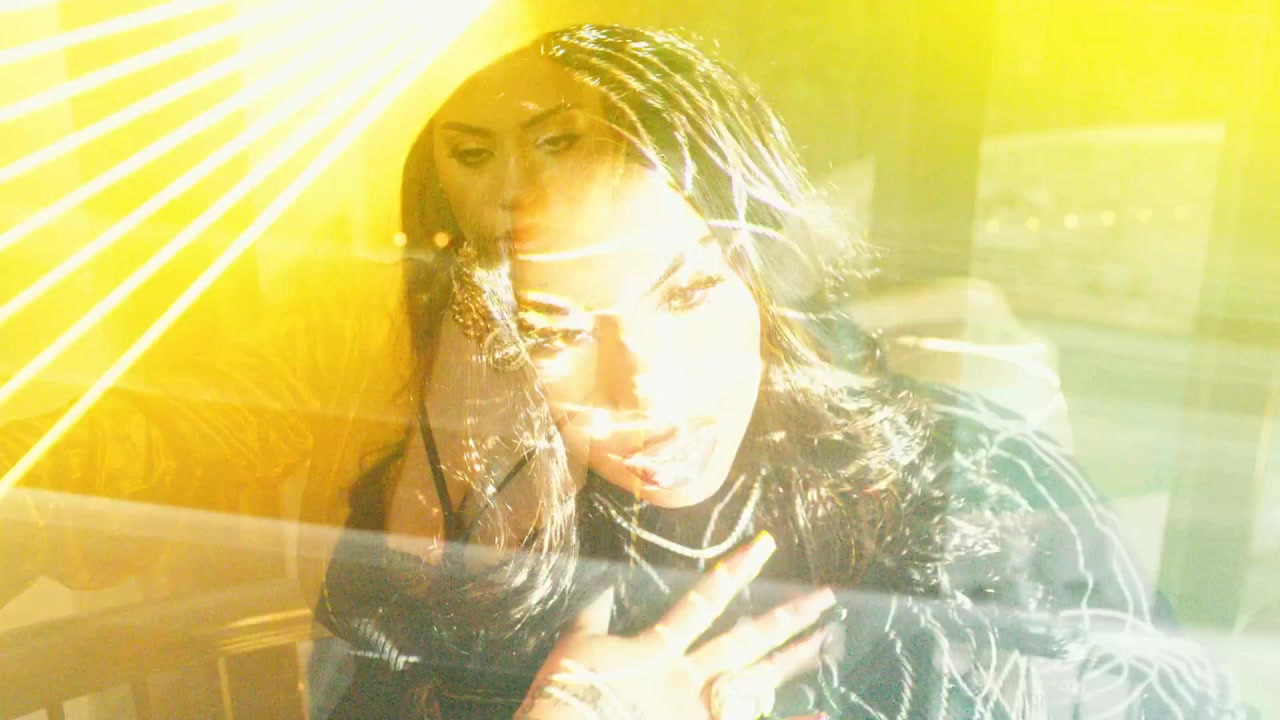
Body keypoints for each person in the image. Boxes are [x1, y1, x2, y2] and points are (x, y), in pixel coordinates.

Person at [1, 24, 1244, 720]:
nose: (641, 389)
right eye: (554, 331)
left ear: (764, 277)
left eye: (690, 294)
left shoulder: (970, 488)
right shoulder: (440, 540)